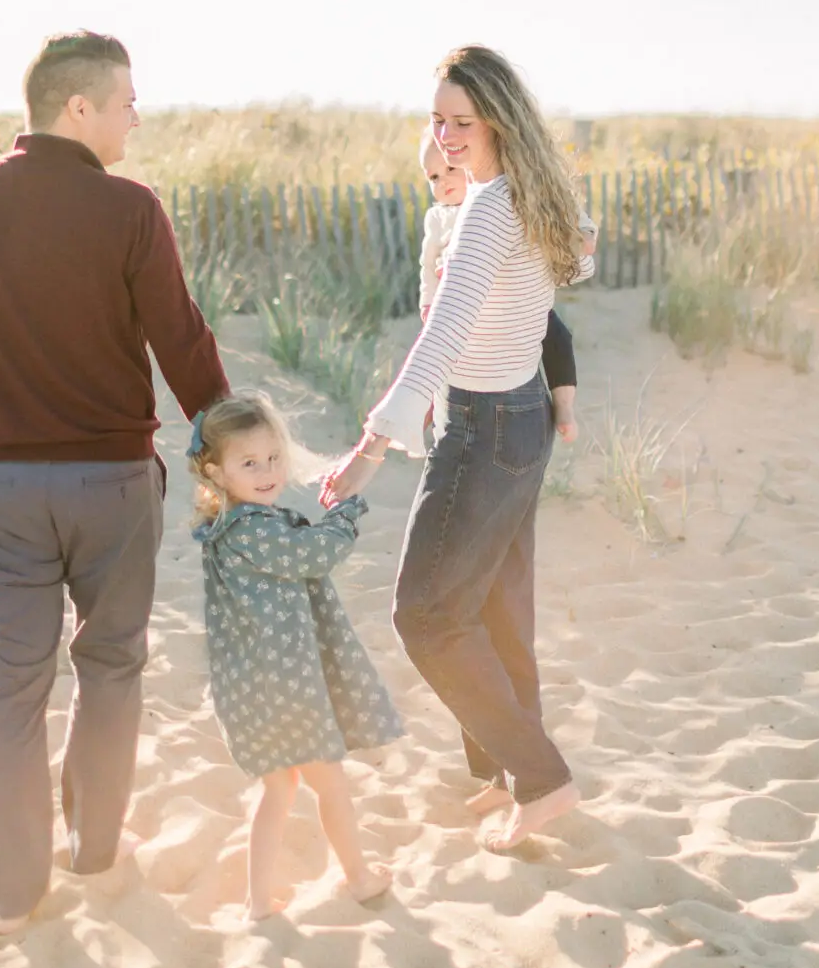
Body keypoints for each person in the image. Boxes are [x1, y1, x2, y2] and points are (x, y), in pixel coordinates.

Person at [0, 31, 230, 936]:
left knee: (7, 685)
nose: (137, 113)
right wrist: (225, 444)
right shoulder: (131, 210)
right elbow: (181, 339)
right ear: (76, 106)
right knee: (111, 666)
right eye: (126, 98)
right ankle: (95, 851)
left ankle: (15, 896)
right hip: (111, 485)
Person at [322, 45, 593, 851]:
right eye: (436, 119)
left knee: (427, 614)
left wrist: (372, 443)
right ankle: (516, 777)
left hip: (486, 425)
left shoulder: (487, 210)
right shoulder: (531, 197)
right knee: (497, 611)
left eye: (460, 122)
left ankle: (540, 778)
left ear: (498, 121)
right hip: (520, 420)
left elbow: (444, 331)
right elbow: (571, 269)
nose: (443, 136)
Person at [190, 392, 401, 919]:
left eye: (274, 458)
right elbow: (313, 554)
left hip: (259, 685)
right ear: (216, 472)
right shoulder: (254, 528)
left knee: (279, 789)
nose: (267, 472)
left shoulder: (231, 528)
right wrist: (345, 511)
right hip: (285, 687)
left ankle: (259, 901)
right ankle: (358, 878)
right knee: (330, 785)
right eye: (249, 463)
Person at [418, 128, 589, 444]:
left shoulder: (497, 202)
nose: (443, 183)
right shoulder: (438, 218)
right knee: (440, 350)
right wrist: (428, 304)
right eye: (433, 178)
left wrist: (582, 237)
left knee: (557, 336)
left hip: (514, 302)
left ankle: (564, 405)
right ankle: (429, 404)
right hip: (459, 305)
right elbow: (428, 265)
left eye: (450, 170)